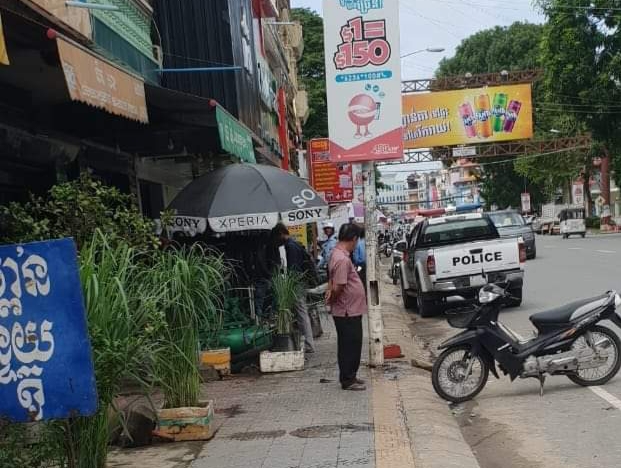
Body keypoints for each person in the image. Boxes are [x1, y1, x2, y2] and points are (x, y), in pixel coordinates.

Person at [326, 223, 367, 391]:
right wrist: (332, 298)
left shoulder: (337, 254)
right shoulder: (342, 259)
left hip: (349, 309)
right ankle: (348, 379)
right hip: (347, 310)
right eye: (357, 241)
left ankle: (350, 376)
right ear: (354, 239)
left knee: (350, 344)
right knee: (350, 345)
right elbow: (339, 285)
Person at [272, 224, 318, 353]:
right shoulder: (295, 244)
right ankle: (305, 342)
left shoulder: (290, 247)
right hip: (301, 282)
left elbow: (294, 269)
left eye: (276, 237)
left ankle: (309, 344)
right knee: (301, 312)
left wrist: (289, 284)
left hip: (297, 284)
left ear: (281, 233)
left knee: (301, 312)